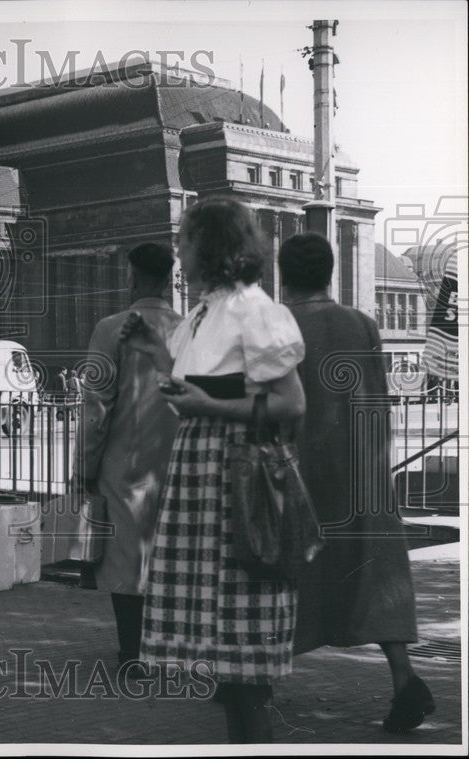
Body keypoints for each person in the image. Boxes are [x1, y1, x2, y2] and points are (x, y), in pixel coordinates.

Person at [133, 199, 307, 743]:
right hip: (202, 474)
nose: (179, 252)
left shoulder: (255, 310)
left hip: (238, 477)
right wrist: (159, 359)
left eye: (186, 240)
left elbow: (291, 403)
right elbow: (200, 389)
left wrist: (210, 407)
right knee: (224, 656)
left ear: (211, 247)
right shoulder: (204, 313)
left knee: (243, 660)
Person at [279, 232, 434, 733]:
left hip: (300, 471)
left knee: (277, 573)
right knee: (376, 575)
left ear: (283, 275)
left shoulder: (280, 327)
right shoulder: (363, 323)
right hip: (362, 472)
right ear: (328, 273)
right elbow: (377, 397)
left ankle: (244, 677)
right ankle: (405, 680)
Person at [79, 242, 182, 673]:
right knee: (175, 553)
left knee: (126, 558)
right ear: (170, 279)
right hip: (180, 463)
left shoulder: (110, 328)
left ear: (131, 276)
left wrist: (84, 466)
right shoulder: (191, 329)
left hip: (125, 462)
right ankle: (172, 647)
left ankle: (133, 653)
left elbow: (95, 406)